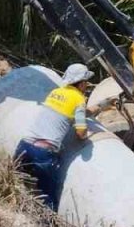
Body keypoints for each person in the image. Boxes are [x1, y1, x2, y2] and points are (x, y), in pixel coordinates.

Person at [15, 63, 115, 210]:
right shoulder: (78, 100)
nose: (87, 85)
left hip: (24, 147)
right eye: (86, 82)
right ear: (81, 84)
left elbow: (74, 112)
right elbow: (81, 133)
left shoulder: (56, 92)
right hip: (43, 154)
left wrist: (101, 105)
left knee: (15, 188)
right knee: (48, 201)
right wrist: (90, 135)